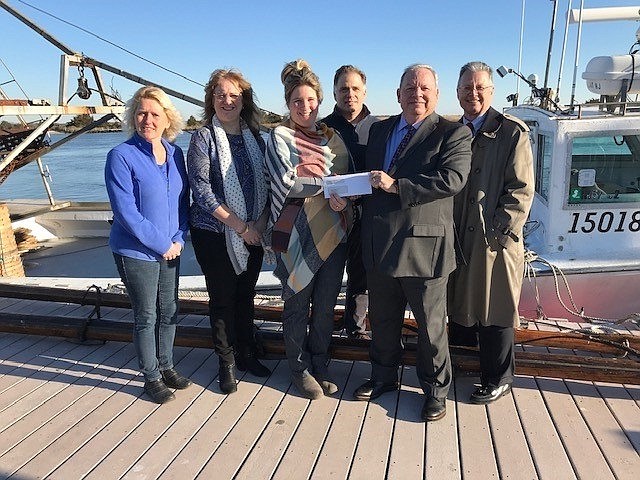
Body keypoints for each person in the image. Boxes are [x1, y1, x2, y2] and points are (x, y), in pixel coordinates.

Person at [353, 64, 472, 422]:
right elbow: (367, 178)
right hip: (379, 242)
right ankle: (383, 377)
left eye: (424, 89)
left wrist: (397, 186)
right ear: (397, 93)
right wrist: (346, 194)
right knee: (383, 320)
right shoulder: (379, 130)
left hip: (425, 248)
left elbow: (452, 179)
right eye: (409, 87)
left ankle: (435, 390)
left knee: (431, 326)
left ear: (436, 95)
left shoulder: (454, 133)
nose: (416, 94)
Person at [265, 59, 353, 400]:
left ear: (320, 101)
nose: (305, 107)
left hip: (334, 232)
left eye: (310, 100)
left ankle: (320, 363)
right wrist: (330, 186)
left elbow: (348, 183)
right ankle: (298, 369)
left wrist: (343, 199)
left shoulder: (333, 138)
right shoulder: (279, 136)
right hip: (295, 235)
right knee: (296, 305)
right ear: (288, 104)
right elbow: (287, 182)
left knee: (327, 305)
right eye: (297, 101)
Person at [448, 61, 534, 404]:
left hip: (493, 240)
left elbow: (521, 190)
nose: (473, 93)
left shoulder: (512, 131)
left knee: (495, 308)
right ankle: (465, 362)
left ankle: (499, 377)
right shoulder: (452, 131)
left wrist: (500, 234)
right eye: (467, 88)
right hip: (456, 235)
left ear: (491, 90)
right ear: (457, 93)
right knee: (461, 303)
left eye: (480, 87)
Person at [187, 69, 272, 395]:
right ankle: (226, 362)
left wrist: (260, 225)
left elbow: (268, 184)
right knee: (222, 298)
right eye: (220, 94)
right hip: (214, 232)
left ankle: (247, 353)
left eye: (234, 95)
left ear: (243, 100)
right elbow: (202, 191)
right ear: (211, 99)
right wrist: (240, 227)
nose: (227, 100)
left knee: (245, 294)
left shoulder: (257, 138)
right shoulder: (203, 138)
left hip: (253, 230)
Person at [105, 86, 192, 404]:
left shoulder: (175, 153)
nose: (148, 119)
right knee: (146, 314)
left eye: (155, 114)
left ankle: (167, 366)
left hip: (172, 247)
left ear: (167, 118)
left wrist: (179, 237)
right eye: (141, 112)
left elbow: (184, 202)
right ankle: (151, 377)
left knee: (169, 309)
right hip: (136, 250)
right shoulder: (121, 156)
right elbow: (126, 212)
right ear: (133, 116)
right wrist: (161, 244)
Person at [322, 65, 379, 340]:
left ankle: (356, 329)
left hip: (367, 215)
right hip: (330, 213)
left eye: (355, 88)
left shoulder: (380, 128)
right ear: (334, 91)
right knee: (328, 277)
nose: (350, 94)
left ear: (364, 91)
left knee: (361, 277)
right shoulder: (323, 128)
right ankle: (322, 325)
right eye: (343, 88)